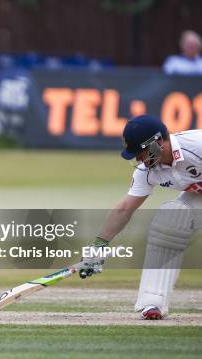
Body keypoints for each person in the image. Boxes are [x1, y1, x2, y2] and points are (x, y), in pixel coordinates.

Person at [78, 114, 202, 320]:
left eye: (141, 152)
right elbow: (125, 208)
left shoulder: (197, 146)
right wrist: (98, 245)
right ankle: (152, 301)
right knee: (171, 218)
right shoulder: (147, 171)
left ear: (158, 142)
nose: (138, 159)